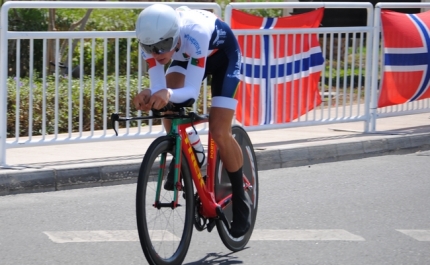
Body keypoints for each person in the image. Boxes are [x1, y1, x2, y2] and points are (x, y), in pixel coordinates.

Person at [133, 4, 250, 238]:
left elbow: (190, 93)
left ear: (175, 35)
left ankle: (241, 197)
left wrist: (165, 93)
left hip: (223, 58)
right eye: (150, 48)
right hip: (187, 57)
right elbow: (160, 89)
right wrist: (150, 94)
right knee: (166, 107)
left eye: (163, 46)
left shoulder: (195, 32)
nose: (157, 53)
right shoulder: (152, 42)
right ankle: (193, 154)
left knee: (219, 131)